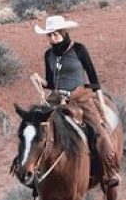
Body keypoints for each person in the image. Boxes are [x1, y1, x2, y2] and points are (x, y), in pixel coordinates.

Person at [30, 15, 121, 189]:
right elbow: (50, 83)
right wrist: (38, 80)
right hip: (57, 98)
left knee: (99, 130)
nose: (52, 38)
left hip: (80, 97)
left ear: (64, 32)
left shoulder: (79, 49)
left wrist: (101, 104)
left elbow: (94, 78)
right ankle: (34, 171)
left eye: (55, 34)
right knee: (35, 126)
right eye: (49, 35)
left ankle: (111, 170)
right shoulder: (48, 54)